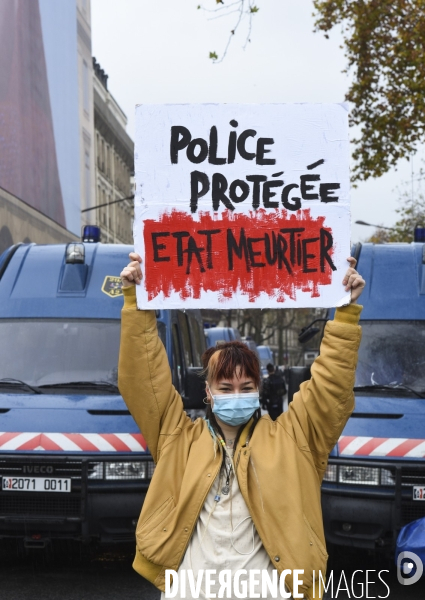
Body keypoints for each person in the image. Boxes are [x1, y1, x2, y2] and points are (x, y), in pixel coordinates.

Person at [118, 253, 365, 600]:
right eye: (225, 387)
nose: (237, 395)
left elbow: (330, 388)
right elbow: (145, 379)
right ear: (207, 392)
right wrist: (136, 302)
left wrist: (345, 314)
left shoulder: (295, 441)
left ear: (259, 390)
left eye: (246, 387)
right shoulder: (177, 439)